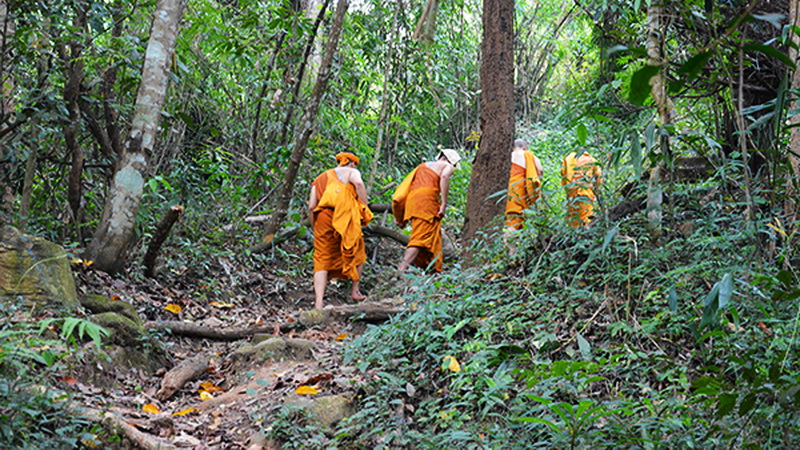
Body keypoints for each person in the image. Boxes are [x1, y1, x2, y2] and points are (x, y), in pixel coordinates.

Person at [308, 151, 373, 308]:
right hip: (344, 216)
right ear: (352, 163)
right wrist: (364, 207)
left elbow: (311, 206)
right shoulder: (352, 171)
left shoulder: (320, 178)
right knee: (357, 249)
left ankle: (318, 303)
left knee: (322, 257)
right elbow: (358, 184)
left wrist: (315, 225)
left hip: (323, 218)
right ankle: (355, 291)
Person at [392, 149, 460, 272]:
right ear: (451, 161)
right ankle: (402, 268)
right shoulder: (448, 166)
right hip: (427, 202)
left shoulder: (422, 166)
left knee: (425, 235)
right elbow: (444, 176)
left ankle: (426, 270)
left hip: (413, 202)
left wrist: (400, 215)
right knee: (420, 238)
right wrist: (444, 203)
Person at [505, 139, 544, 230]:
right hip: (520, 190)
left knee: (510, 217)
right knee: (517, 217)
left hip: (506, 190)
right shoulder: (528, 155)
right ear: (525, 148)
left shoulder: (507, 156)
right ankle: (508, 243)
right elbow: (540, 170)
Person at [560, 149, 602, 228]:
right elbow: (598, 177)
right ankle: (583, 236)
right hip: (586, 193)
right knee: (585, 219)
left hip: (572, 192)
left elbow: (563, 172)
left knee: (573, 218)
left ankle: (572, 236)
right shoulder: (592, 160)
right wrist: (596, 192)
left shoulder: (570, 158)